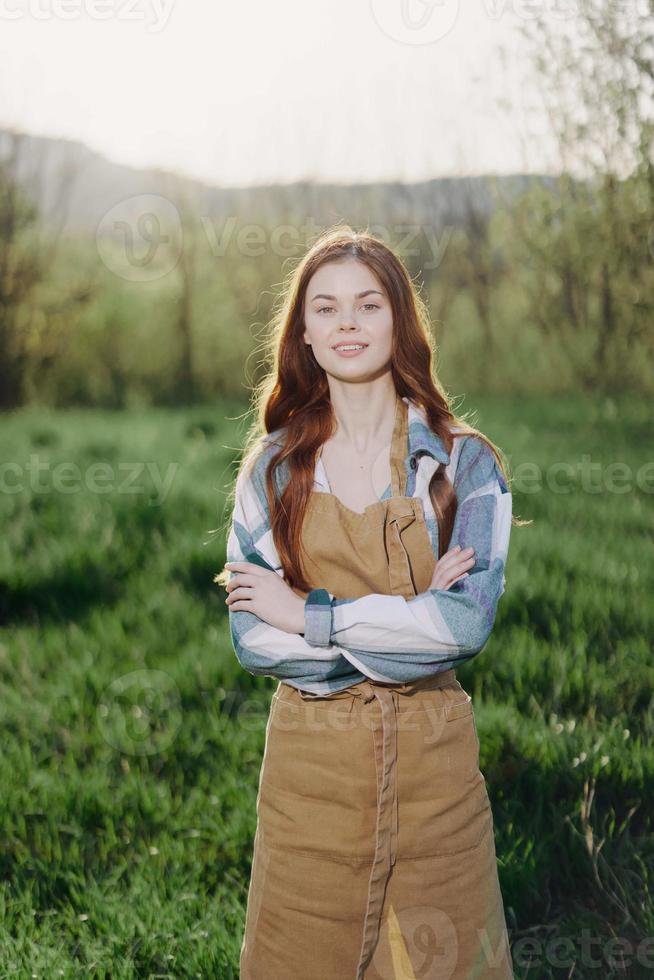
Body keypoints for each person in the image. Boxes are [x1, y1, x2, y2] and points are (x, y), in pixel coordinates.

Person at [215, 226, 521, 979]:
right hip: (307, 782)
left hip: (437, 775)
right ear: (306, 336)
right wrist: (405, 616)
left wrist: (309, 614)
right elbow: (255, 638)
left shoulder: (466, 465)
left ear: (400, 322)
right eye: (325, 308)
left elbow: (463, 626)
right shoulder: (272, 472)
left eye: (367, 304)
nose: (347, 322)